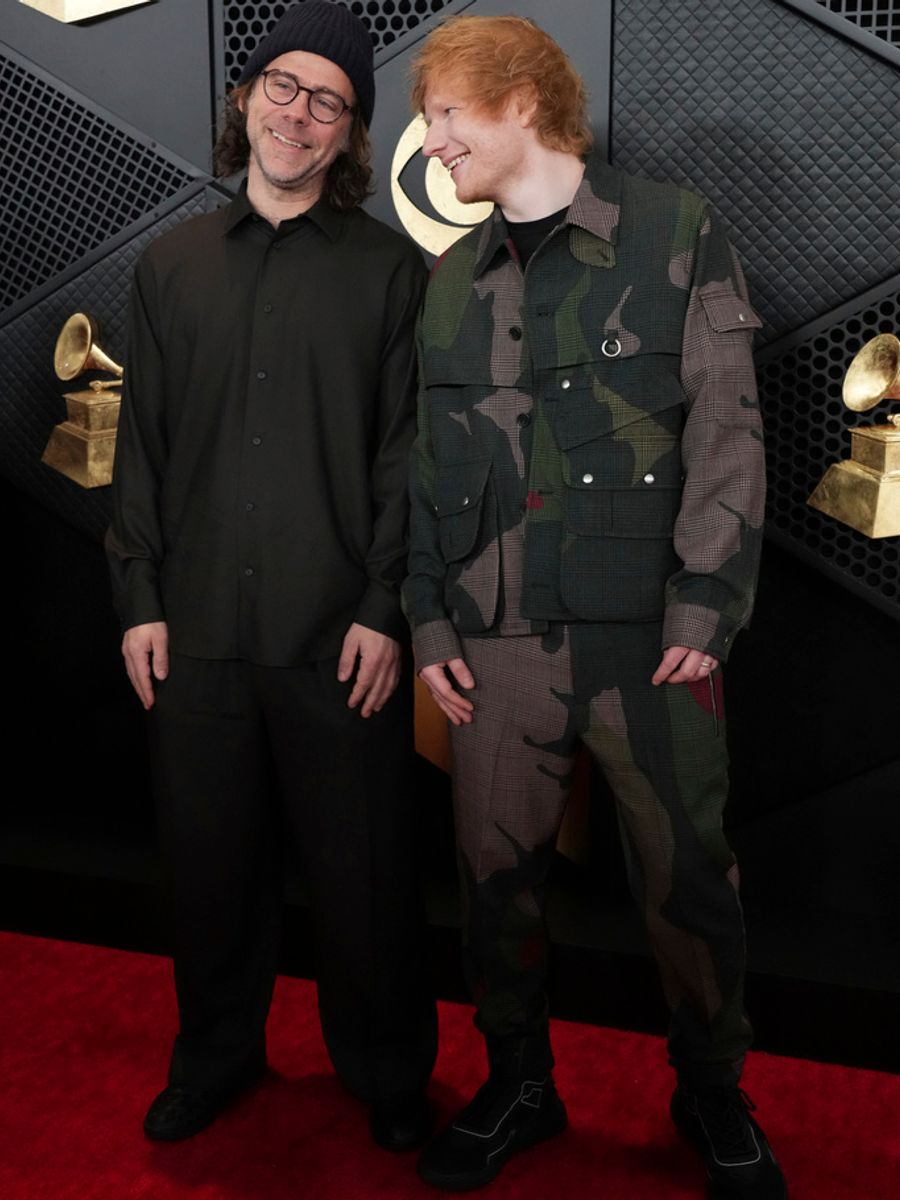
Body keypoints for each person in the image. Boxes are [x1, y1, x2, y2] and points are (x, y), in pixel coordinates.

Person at [404, 14, 784, 1199]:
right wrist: (426, 620)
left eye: (449, 111)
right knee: (491, 882)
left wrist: (703, 607)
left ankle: (713, 1092)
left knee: (688, 882)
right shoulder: (454, 278)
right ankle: (519, 1078)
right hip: (494, 641)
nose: (432, 134)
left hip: (648, 641)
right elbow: (425, 461)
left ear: (521, 101)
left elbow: (728, 429)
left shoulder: (672, 230)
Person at [107, 0, 435, 1152]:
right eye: (283, 87)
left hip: (334, 633)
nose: (300, 114)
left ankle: (390, 1074)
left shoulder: (394, 274)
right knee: (207, 876)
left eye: (328, 101)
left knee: (366, 883)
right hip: (191, 630)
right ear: (244, 100)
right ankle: (216, 1060)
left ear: (351, 135)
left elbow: (410, 455)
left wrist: (387, 608)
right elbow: (137, 446)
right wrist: (138, 597)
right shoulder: (168, 265)